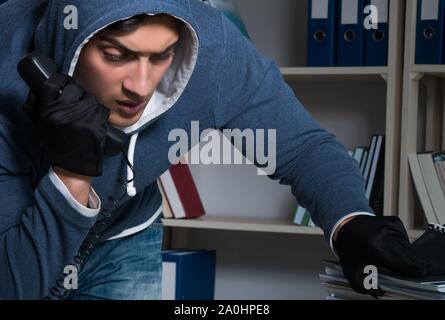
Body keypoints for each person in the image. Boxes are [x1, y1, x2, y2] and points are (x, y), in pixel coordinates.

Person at [0, 0, 443, 300]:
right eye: (117, 55)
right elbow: (16, 283)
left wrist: (351, 220)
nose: (140, 85)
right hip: (24, 235)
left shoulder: (215, 52)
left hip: (123, 231)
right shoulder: (6, 71)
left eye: (161, 56)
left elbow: (303, 148)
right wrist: (74, 173)